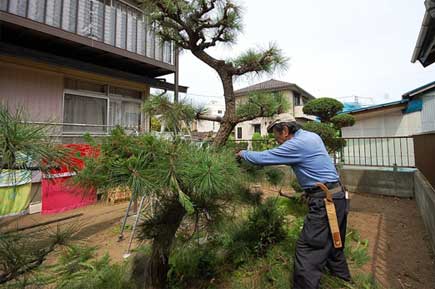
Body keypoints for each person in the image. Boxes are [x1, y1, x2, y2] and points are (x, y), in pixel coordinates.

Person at [236, 114, 351, 289]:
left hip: (325, 202)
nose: (277, 140)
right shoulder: (312, 136)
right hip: (337, 196)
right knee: (334, 243)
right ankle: (342, 281)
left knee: (308, 249)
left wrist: (242, 153)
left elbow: (264, 158)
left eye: (276, 135)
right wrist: (312, 192)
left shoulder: (296, 144)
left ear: (285, 130)